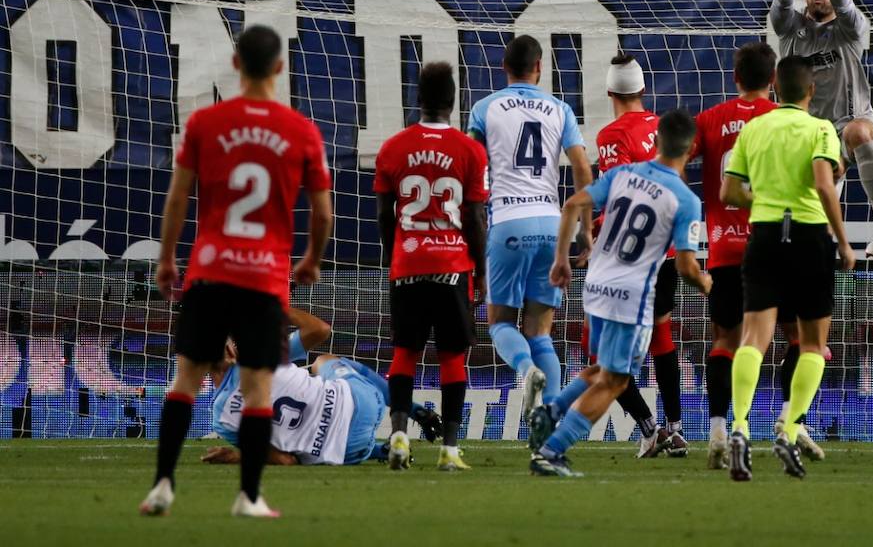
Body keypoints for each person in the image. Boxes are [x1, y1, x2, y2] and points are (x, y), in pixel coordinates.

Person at [141, 25, 333, 518]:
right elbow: (324, 212)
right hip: (263, 281)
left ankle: (162, 485)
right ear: (279, 68)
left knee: (185, 381)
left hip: (209, 273)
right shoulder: (300, 130)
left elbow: (179, 195)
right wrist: (311, 258)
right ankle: (249, 497)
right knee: (257, 390)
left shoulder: (206, 122)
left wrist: (166, 258)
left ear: (234, 64)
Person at [527, 109, 711, 478]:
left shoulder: (621, 174)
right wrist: (710, 287)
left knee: (603, 367)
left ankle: (551, 411)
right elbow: (687, 267)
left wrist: (562, 259)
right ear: (691, 152)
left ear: (655, 142)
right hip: (631, 296)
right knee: (616, 380)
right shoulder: (685, 200)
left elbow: (573, 204)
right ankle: (552, 450)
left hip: (595, 286)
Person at [720, 55, 856, 482]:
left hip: (762, 237)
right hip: (810, 237)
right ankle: (791, 427)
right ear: (811, 92)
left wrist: (760, 202)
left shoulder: (754, 128)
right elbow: (821, 182)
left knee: (753, 338)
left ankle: (739, 425)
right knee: (813, 344)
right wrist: (844, 241)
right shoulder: (820, 129)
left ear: (776, 87)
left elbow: (728, 190)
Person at [469, 35, 593, 419]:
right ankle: (550, 425)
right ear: (539, 67)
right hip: (551, 226)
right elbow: (583, 168)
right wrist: (586, 230)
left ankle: (526, 372)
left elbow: (470, 165)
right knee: (541, 331)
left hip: (507, 221)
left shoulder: (485, 108)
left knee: (500, 322)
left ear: (504, 66)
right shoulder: (560, 109)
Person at [374, 61, 489, 472]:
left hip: (408, 263)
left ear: (418, 97)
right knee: (452, 357)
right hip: (452, 265)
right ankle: (450, 450)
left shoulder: (392, 148)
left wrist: (396, 255)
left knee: (404, 353)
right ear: (454, 101)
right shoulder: (470, 150)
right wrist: (481, 271)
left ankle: (400, 435)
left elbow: (385, 216)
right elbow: (475, 219)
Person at [693, 41, 795, 470]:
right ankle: (789, 422)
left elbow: (677, 161)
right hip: (774, 247)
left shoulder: (710, 120)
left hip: (724, 249)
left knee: (726, 342)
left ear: (736, 78)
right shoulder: (783, 120)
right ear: (773, 80)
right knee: (800, 339)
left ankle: (719, 427)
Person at [770, 0, 873, 259]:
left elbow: (850, 12)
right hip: (808, 133)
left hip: (848, 124)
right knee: (811, 229)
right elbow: (778, 13)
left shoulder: (851, 28)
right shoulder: (791, 27)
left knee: (860, 132)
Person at [591, 53, 684, 458]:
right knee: (662, 335)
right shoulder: (664, 128)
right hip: (666, 248)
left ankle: (649, 428)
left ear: (610, 90)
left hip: (631, 254)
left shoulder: (611, 135)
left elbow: (623, 195)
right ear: (643, 90)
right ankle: (676, 428)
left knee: (599, 350)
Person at [200, 307, 391, 467]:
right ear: (230, 350)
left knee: (294, 445)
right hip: (365, 405)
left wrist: (237, 457)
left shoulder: (222, 419)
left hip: (348, 451)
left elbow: (284, 459)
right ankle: (406, 409)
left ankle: (378, 450)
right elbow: (321, 329)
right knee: (324, 361)